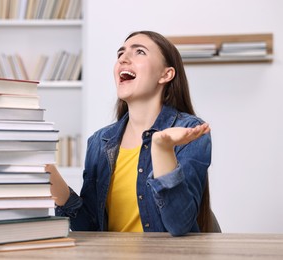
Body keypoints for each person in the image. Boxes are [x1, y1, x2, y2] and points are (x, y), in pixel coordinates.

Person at [47, 30, 217, 236]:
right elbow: (88, 227)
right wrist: (49, 174)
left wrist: (162, 148)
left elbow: (179, 224)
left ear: (166, 74)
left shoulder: (191, 133)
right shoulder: (100, 142)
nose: (123, 59)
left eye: (139, 52)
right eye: (120, 54)